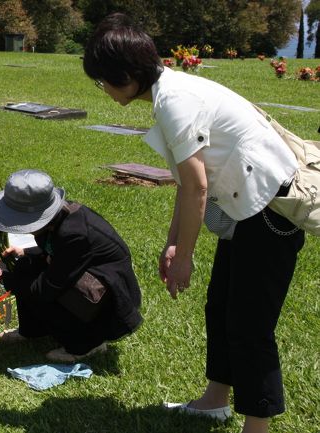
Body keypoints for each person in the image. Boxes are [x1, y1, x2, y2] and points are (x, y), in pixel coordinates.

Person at [83, 13, 305, 433]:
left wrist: (184, 257)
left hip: (271, 212)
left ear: (127, 75)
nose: (104, 90)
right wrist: (173, 243)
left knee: (250, 323)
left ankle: (257, 426)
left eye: (103, 81)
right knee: (221, 308)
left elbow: (198, 188)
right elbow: (189, 184)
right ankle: (214, 401)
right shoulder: (168, 93)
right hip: (249, 210)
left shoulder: (174, 101)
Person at [0, 169, 142, 363]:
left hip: (107, 298)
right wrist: (25, 253)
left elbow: (46, 289)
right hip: (81, 274)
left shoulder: (74, 234)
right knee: (23, 266)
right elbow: (59, 252)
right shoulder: (59, 218)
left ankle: (87, 344)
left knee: (32, 284)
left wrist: (2, 275)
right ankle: (33, 331)